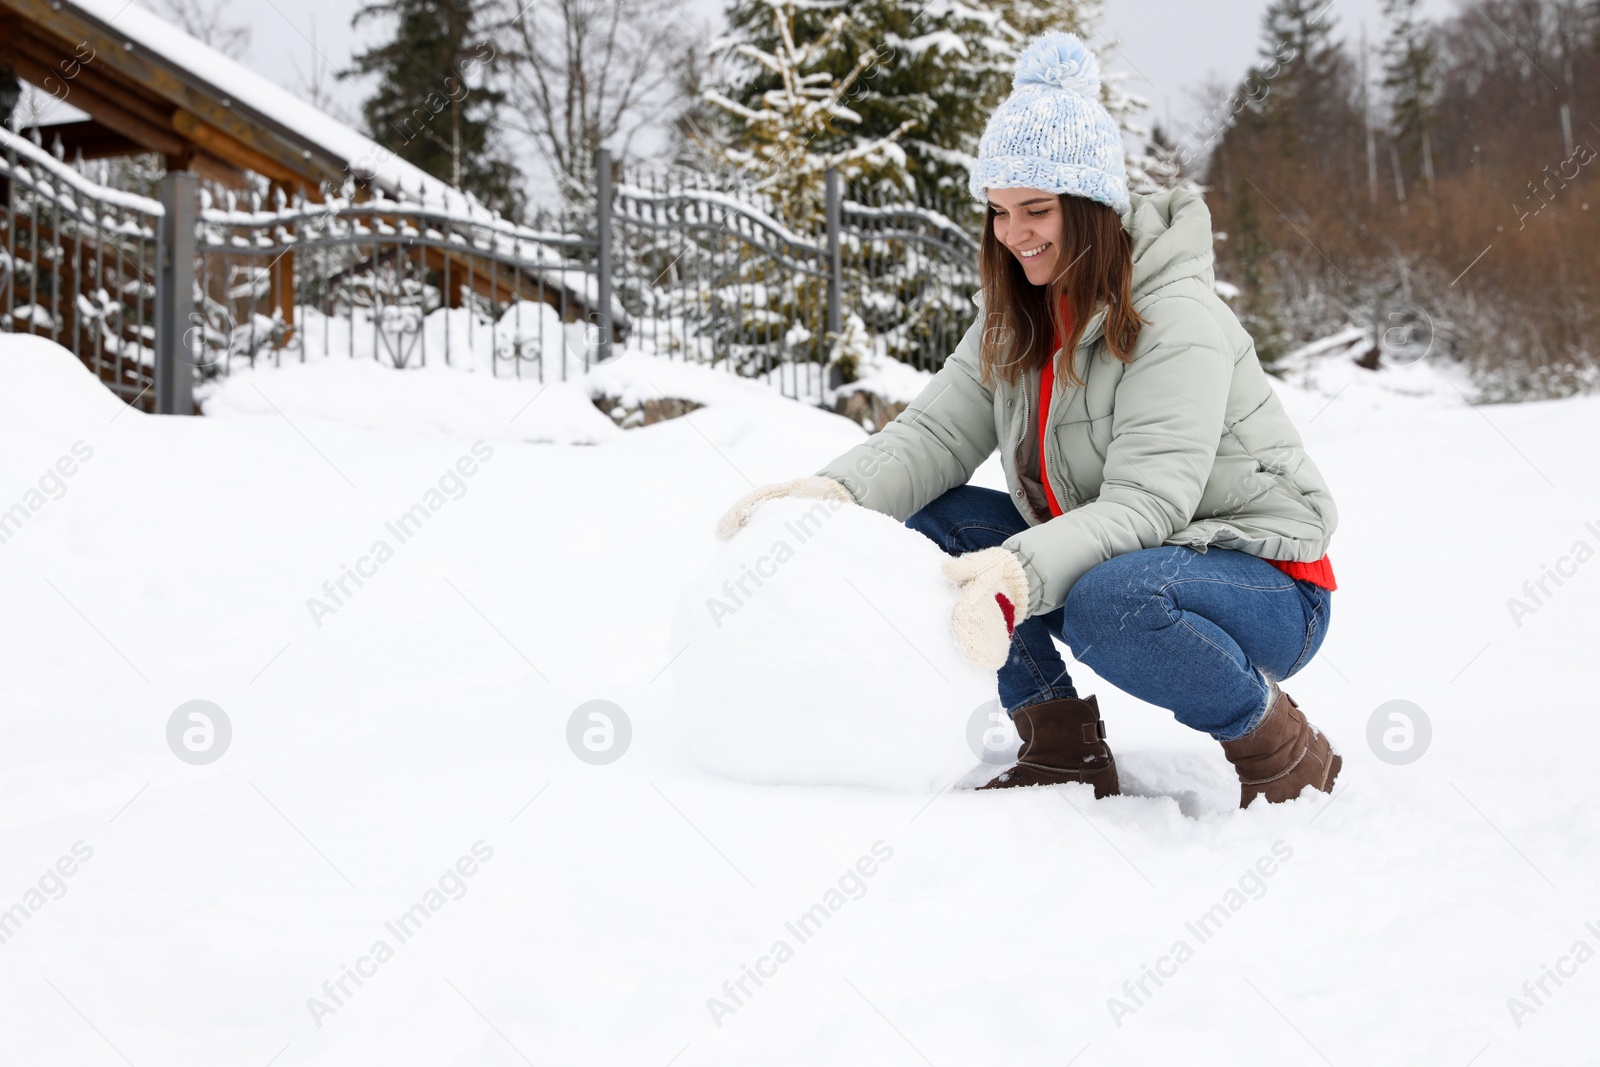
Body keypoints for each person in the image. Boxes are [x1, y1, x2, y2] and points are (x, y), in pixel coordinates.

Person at [715, 31, 1342, 808]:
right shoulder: (1017, 315)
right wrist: (828, 499)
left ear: (1092, 207)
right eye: (999, 211)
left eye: (1037, 209)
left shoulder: (1175, 316)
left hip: (1265, 582)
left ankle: (1282, 749)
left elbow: (1151, 504)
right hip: (1123, 558)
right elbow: (935, 435)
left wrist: (1020, 573)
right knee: (932, 521)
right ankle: (1060, 746)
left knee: (1109, 600)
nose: (1014, 235)